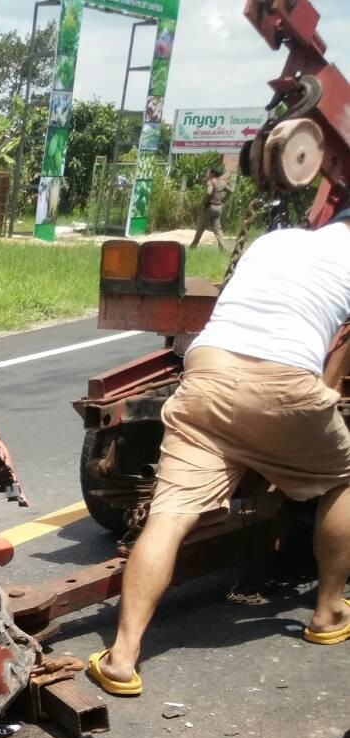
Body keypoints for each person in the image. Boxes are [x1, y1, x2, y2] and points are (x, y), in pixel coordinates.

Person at [89, 210, 350, 696]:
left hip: (205, 377)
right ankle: (329, 610)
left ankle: (122, 657)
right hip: (286, 386)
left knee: (168, 517)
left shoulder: (276, 241)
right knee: (342, 478)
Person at [190, 166, 231, 250]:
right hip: (218, 207)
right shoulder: (223, 183)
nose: (208, 174)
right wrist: (223, 200)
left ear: (212, 173)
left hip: (210, 207)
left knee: (201, 227)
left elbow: (209, 193)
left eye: (209, 172)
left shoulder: (211, 182)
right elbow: (230, 191)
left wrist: (204, 201)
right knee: (217, 229)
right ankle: (223, 247)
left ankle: (193, 246)